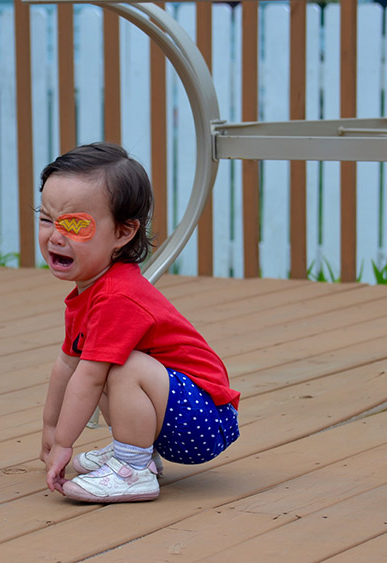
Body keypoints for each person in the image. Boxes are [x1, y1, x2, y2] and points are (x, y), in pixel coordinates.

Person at [38, 142, 240, 503]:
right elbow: (66, 365)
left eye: (74, 225)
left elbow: (87, 376)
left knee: (114, 366)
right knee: (94, 361)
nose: (55, 235)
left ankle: (132, 469)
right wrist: (51, 429)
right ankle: (131, 451)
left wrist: (65, 444)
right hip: (176, 411)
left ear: (122, 233)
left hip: (204, 418)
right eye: (46, 218)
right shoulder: (91, 290)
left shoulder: (118, 295)